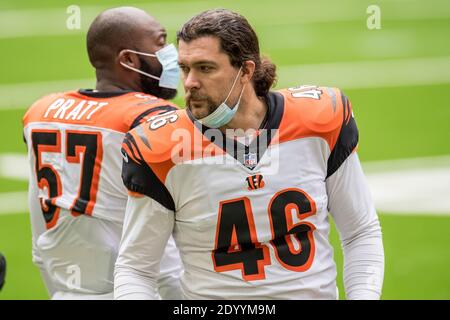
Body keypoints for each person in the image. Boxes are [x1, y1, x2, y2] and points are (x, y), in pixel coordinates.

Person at [115, 9, 384, 299]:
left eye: (205, 68)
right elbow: (136, 269)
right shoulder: (162, 147)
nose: (190, 82)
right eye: (185, 68)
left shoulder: (317, 122)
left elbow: (360, 231)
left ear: (246, 70)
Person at [22, 7, 183, 300]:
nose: (172, 54)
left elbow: (39, 233)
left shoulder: (41, 113)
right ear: (128, 59)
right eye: (160, 42)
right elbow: (167, 254)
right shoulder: (151, 119)